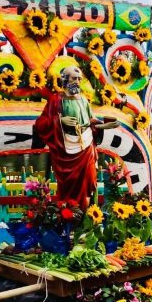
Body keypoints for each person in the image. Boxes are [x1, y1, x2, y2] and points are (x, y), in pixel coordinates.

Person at [33, 65, 120, 209]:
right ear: (65, 80)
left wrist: (103, 126)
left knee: (89, 181)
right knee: (69, 185)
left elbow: (90, 120)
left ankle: (86, 215)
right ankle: (68, 215)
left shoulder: (84, 99)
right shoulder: (56, 100)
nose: (78, 82)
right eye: (74, 78)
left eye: (80, 79)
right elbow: (40, 123)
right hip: (66, 150)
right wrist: (60, 121)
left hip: (86, 147)